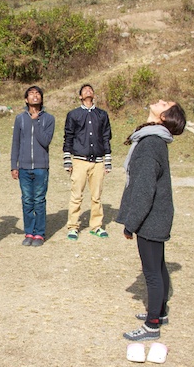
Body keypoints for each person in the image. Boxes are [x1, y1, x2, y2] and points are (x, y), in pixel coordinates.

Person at [117, 99, 186, 341]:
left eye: (165, 103)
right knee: (158, 266)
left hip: (151, 218)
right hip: (157, 215)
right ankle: (160, 312)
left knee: (152, 272)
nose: (159, 101)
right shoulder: (155, 139)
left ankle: (152, 326)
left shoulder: (150, 143)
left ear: (164, 117)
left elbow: (144, 190)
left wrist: (131, 224)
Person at [63, 83, 112, 240]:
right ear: (80, 96)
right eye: (84, 90)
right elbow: (68, 136)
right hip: (79, 161)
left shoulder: (102, 115)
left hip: (98, 162)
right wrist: (67, 160)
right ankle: (73, 227)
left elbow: (106, 137)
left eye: (90, 89)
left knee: (96, 196)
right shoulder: (73, 114)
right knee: (76, 195)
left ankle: (96, 226)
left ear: (94, 95)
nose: (88, 91)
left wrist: (108, 160)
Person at [10, 86, 55, 247]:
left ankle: (40, 234)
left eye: (37, 93)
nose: (35, 96)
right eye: (31, 93)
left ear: (41, 98)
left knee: (39, 200)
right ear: (26, 99)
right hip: (23, 167)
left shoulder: (49, 119)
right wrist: (14, 165)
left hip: (41, 167)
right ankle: (29, 232)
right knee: (27, 200)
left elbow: (45, 141)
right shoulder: (20, 118)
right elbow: (15, 143)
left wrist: (36, 122)